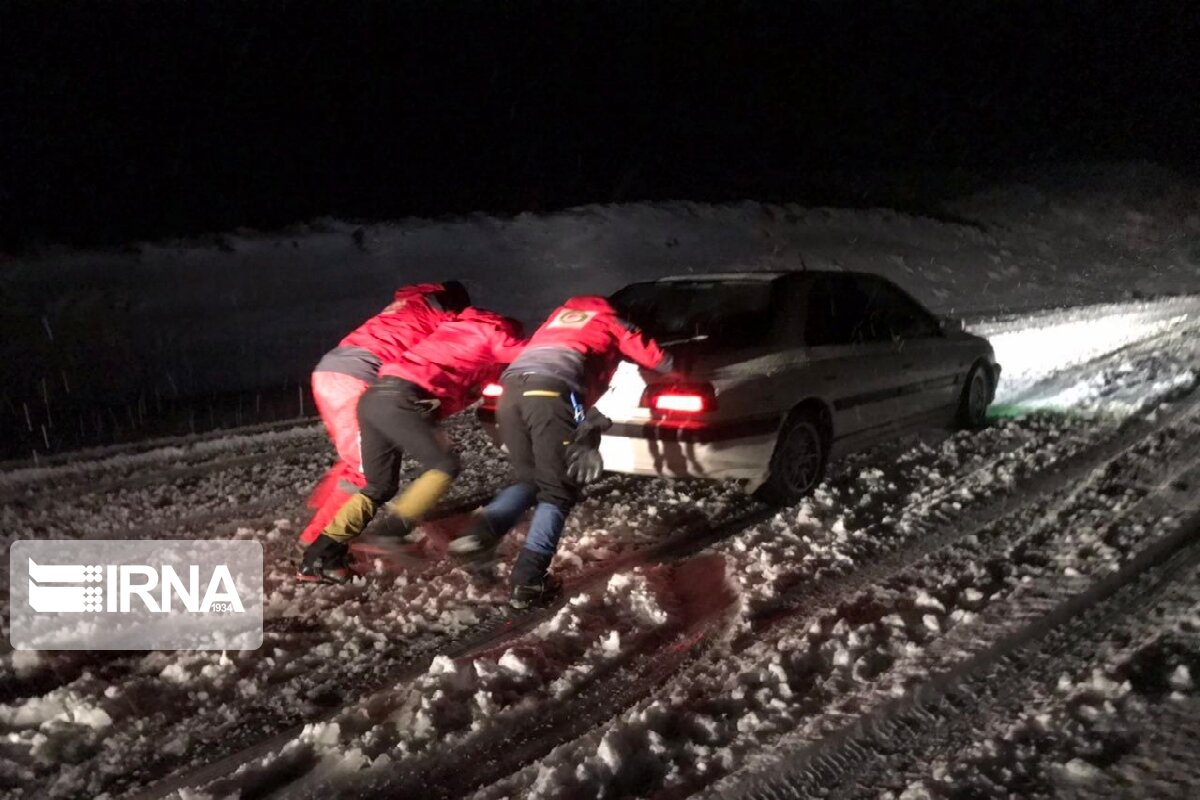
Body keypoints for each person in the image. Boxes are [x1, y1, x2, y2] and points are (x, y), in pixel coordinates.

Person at [450, 295, 674, 608]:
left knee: (530, 478)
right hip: (552, 391)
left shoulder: (557, 320)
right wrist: (677, 369)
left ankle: (480, 534)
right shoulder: (612, 320)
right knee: (557, 492)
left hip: (511, 390)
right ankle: (529, 581)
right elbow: (660, 360)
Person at [298, 307, 526, 583]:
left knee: (377, 485)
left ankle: (319, 556)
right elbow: (532, 355)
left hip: (374, 398)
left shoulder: (450, 330)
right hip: (401, 400)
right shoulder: (493, 333)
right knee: (444, 465)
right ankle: (393, 530)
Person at [299, 281, 470, 546]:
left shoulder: (410, 305)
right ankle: (317, 545)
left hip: (331, 369)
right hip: (358, 380)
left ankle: (324, 509)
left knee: (363, 456)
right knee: (368, 473)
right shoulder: (443, 321)